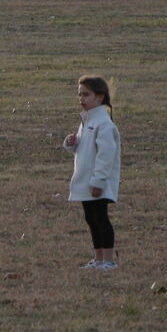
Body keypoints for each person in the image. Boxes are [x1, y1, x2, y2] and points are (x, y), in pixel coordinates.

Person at [63, 75, 121, 269]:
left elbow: (106, 155)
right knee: (91, 219)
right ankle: (97, 259)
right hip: (85, 181)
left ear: (100, 97)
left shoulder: (104, 124)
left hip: (97, 183)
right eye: (79, 95)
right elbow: (85, 149)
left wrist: (98, 181)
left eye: (86, 94)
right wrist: (72, 143)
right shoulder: (86, 121)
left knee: (101, 218)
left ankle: (108, 260)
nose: (81, 99)